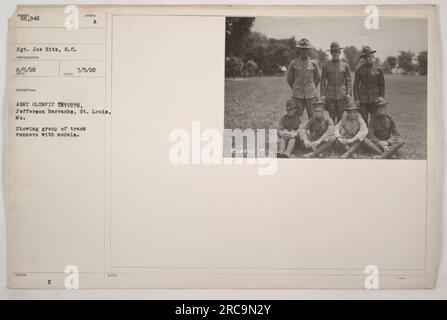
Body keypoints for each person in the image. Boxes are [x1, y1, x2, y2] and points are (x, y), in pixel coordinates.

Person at [287, 38, 320, 120]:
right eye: (302, 49)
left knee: (313, 116)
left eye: (305, 49)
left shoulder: (313, 63)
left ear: (308, 50)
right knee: (297, 117)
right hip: (297, 95)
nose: (304, 51)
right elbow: (289, 78)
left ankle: (313, 132)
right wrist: (296, 87)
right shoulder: (293, 63)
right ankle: (298, 132)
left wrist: (311, 88)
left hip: (311, 94)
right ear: (299, 50)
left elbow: (317, 78)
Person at [320, 42, 352, 123]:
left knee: (341, 118)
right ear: (331, 53)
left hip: (342, 96)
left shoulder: (345, 65)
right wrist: (322, 95)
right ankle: (331, 135)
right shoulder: (326, 65)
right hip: (330, 96)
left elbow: (348, 81)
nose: (335, 53)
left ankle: (339, 135)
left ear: (340, 52)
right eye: (333, 51)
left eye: (337, 51)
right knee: (331, 118)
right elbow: (323, 82)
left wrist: (348, 94)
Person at [353, 46, 385, 124]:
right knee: (363, 120)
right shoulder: (359, 69)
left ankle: (372, 135)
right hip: (363, 100)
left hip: (375, 99)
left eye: (369, 56)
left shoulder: (379, 69)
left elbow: (382, 84)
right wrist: (356, 98)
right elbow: (356, 85)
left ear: (373, 56)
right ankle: (364, 135)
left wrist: (381, 97)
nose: (367, 58)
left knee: (374, 119)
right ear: (363, 58)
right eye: (365, 57)